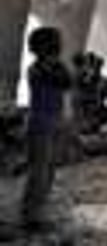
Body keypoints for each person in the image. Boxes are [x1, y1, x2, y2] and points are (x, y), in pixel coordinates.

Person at [22, 26, 72, 232]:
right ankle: (31, 213)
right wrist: (55, 66)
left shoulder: (55, 67)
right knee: (39, 172)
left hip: (53, 123)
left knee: (48, 171)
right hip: (39, 125)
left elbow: (67, 82)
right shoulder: (36, 69)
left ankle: (38, 209)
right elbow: (61, 81)